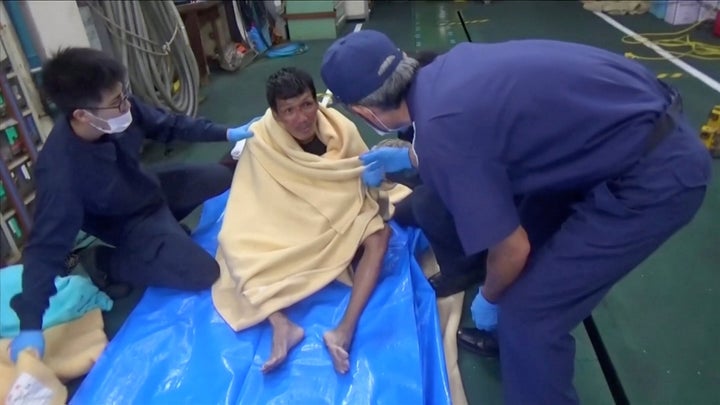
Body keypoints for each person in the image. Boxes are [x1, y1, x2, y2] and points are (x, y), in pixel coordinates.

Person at [320, 30, 712, 404]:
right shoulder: (450, 67)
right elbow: (483, 138)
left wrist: (490, 296)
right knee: (529, 226)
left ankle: (518, 337)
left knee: (531, 316)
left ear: (362, 111)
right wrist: (413, 157)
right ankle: (509, 340)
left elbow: (510, 248)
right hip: (625, 120)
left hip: (651, 176)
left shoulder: (441, 134)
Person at [8, 47, 257, 363]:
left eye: (123, 96)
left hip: (146, 187)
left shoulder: (116, 110)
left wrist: (225, 132)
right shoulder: (61, 173)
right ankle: (104, 262)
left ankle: (165, 240)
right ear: (82, 115)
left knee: (219, 177)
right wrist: (31, 322)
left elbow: (169, 125)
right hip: (126, 220)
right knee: (203, 273)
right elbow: (44, 248)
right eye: (116, 102)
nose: (126, 105)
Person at [211, 67, 404, 374]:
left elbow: (358, 179)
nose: (301, 118)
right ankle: (281, 325)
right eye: (288, 111)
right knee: (233, 243)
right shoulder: (261, 140)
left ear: (315, 101)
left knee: (380, 237)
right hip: (286, 220)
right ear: (275, 115)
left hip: (339, 214)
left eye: (306, 105)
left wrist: (370, 184)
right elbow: (253, 198)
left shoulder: (341, 130)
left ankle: (343, 330)